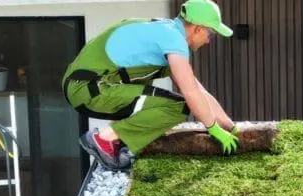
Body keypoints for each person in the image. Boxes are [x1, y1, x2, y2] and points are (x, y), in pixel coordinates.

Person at [62, 0, 240, 171]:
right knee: (178, 107)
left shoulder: (164, 31)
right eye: (210, 34)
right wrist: (213, 128)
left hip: (87, 86)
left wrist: (230, 127)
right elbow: (191, 93)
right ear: (198, 28)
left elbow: (197, 89)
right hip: (90, 88)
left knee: (168, 100)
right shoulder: (173, 40)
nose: (209, 41)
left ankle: (116, 139)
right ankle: (103, 139)